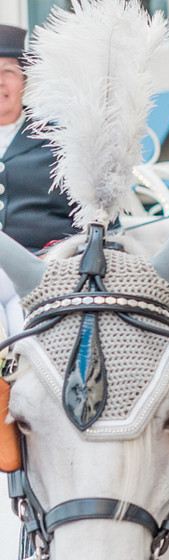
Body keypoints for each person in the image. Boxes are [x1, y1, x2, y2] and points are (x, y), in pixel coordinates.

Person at [0, 24, 75, 336]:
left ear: (23, 81)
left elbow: (86, 220)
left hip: (39, 275)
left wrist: (55, 254)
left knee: (31, 346)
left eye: (8, 71)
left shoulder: (58, 141)